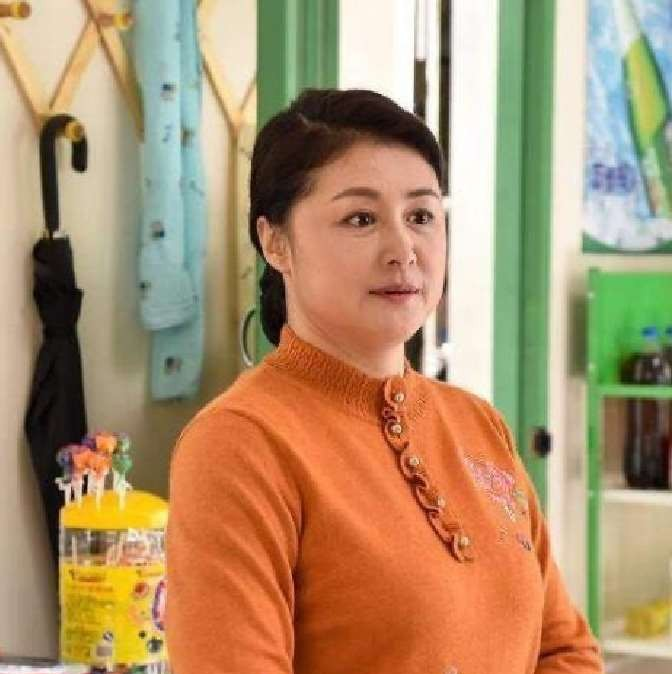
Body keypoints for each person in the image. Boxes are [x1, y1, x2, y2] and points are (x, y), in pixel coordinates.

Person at [166, 88, 604, 674]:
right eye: (361, 219)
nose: (403, 250)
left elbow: (566, 650)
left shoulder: (478, 424)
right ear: (276, 243)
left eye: (421, 216)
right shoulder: (239, 444)